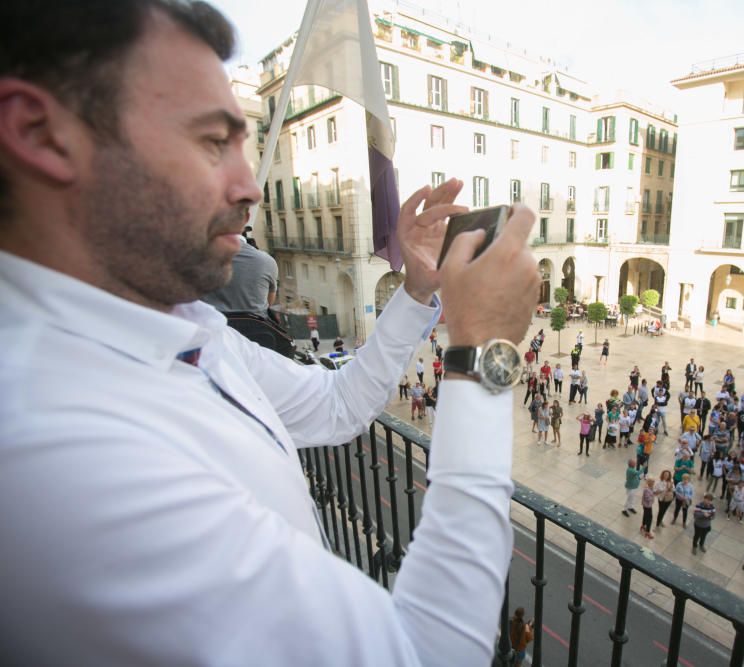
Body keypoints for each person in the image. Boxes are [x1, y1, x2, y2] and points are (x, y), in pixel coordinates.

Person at [0, 3, 542, 664]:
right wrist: (483, 351)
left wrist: (420, 291)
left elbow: (338, 405)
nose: (250, 186)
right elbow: (427, 654)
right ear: (41, 132)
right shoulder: (53, 450)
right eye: (211, 141)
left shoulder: (186, 326)